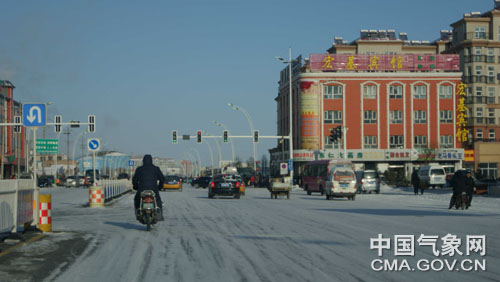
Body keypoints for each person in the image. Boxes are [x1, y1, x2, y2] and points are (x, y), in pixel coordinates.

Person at [132, 154, 165, 220]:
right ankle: (160, 215)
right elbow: (162, 179)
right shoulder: (156, 169)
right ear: (151, 161)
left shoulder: (139, 169)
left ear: (143, 161)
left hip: (142, 189)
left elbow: (134, 179)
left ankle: (138, 212)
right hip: (153, 189)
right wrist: (160, 187)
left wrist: (136, 187)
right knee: (158, 200)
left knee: (137, 199)